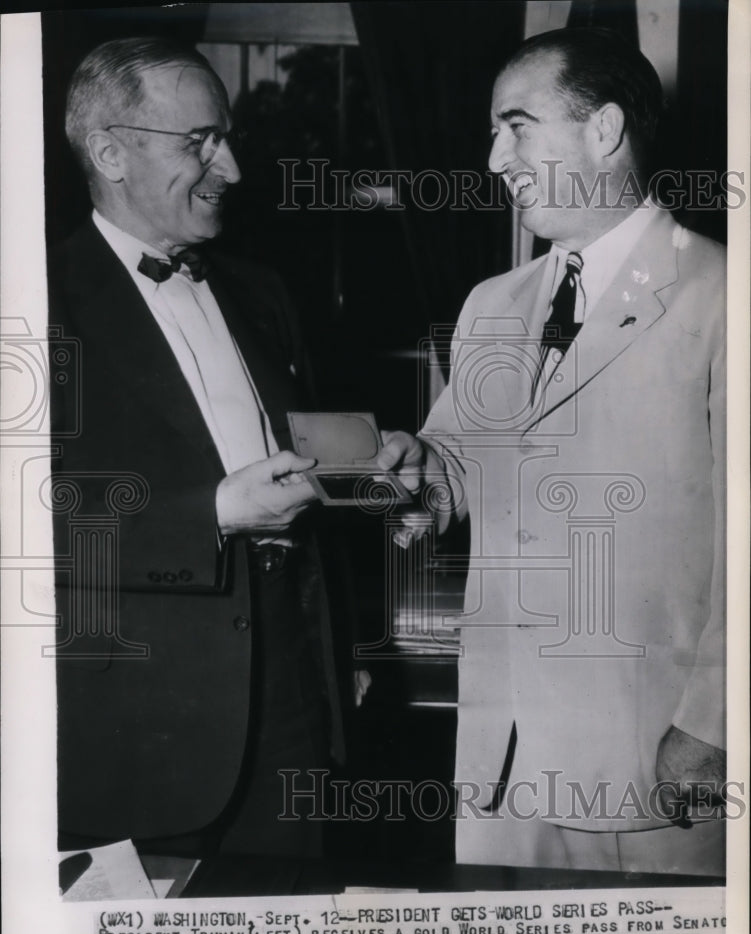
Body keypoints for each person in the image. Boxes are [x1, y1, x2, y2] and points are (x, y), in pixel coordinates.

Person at [378, 27, 726, 876]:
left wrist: (715, 726)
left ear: (602, 132)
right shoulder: (491, 304)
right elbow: (457, 459)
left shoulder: (725, 294)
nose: (495, 158)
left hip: (654, 757)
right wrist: (415, 468)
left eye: (516, 126)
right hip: (503, 756)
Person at [49, 37, 346, 860]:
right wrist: (215, 512)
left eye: (226, 139)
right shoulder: (34, 301)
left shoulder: (262, 292)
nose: (233, 169)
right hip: (139, 729)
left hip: (290, 711)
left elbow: (301, 478)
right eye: (199, 143)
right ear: (110, 152)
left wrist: (369, 476)